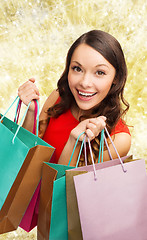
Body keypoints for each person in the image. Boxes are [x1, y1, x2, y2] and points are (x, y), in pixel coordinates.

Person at [18, 30, 131, 166]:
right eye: (77, 69)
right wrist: (31, 111)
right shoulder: (58, 97)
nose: (84, 82)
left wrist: (74, 142)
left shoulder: (118, 139)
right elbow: (23, 155)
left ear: (116, 78)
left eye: (100, 72)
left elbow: (66, 186)